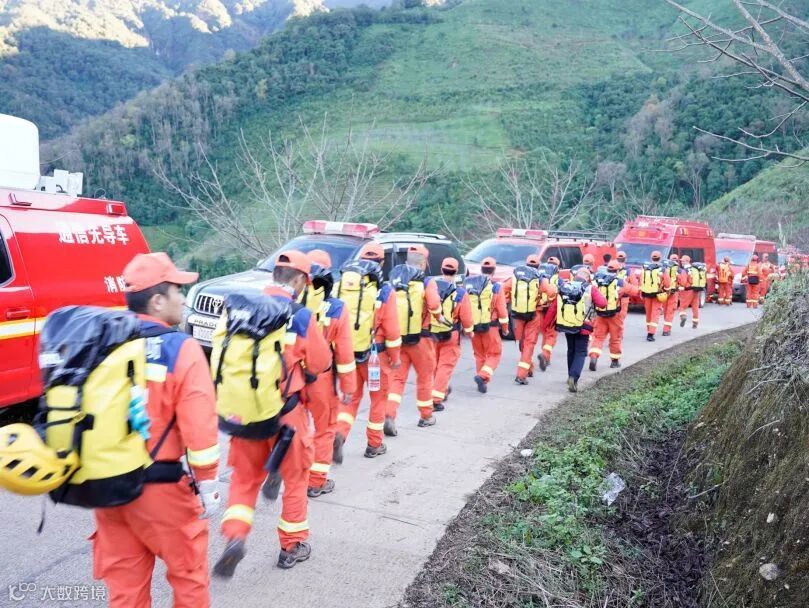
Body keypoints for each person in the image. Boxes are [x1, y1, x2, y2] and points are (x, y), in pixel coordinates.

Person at [92, 252, 221, 608]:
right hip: (160, 489)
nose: (183, 297)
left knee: (125, 591)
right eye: (178, 290)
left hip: (108, 487)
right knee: (188, 578)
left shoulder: (101, 341)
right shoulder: (181, 348)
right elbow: (199, 427)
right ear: (158, 300)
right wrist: (208, 483)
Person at [216, 250, 330, 576]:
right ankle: (291, 546)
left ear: (274, 275)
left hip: (245, 413)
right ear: (301, 281)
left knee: (243, 479)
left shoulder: (240, 308)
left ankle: (235, 536)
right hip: (286, 415)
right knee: (296, 479)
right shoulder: (301, 316)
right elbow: (320, 363)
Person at [334, 243, 402, 460]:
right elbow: (392, 330)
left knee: (350, 398)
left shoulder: (341, 285)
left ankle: (339, 434)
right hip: (375, 356)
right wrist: (395, 357)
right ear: (381, 263)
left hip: (347, 354)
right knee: (378, 399)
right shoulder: (384, 291)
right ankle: (374, 444)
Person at [302, 250, 357, 497]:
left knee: (294, 426)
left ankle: (285, 470)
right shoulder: (336, 308)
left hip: (290, 376)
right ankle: (316, 481)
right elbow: (344, 352)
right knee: (324, 428)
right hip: (321, 378)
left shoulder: (290, 302)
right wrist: (348, 387)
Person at [385, 245, 442, 432]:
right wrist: (439, 316)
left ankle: (389, 414)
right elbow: (433, 304)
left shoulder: (395, 279)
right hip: (421, 339)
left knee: (397, 378)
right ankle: (426, 416)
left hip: (398, 339)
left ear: (407, 260)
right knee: (425, 377)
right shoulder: (426, 282)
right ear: (424, 263)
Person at [552, 267, 607, 393]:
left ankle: (569, 375)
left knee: (571, 350)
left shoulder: (565, 286)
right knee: (580, 352)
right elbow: (602, 303)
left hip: (567, 324)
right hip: (583, 326)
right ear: (587, 278)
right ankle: (574, 377)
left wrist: (547, 324)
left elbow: (555, 306)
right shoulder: (590, 288)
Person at [430, 257, 473, 409]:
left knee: (435, 364)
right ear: (456, 272)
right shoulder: (460, 293)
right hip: (451, 334)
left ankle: (441, 389)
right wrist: (469, 332)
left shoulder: (431, 288)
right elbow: (466, 317)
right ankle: (436, 398)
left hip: (432, 333)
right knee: (445, 366)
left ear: (441, 270)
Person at [509, 255, 557, 384]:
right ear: (538, 266)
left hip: (518, 314)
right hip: (534, 315)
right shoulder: (540, 278)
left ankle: (529, 369)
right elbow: (552, 292)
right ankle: (521, 375)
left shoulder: (515, 276)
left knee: (522, 343)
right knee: (529, 344)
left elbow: (504, 290)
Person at [466, 257, 509, 393]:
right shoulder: (496, 288)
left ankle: (482, 382)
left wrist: (466, 328)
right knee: (495, 354)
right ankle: (483, 376)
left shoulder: (469, 285)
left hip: (474, 327)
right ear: (494, 270)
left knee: (479, 355)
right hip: (490, 327)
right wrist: (505, 328)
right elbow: (502, 311)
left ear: (481, 269)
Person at [588, 260, 637, 370]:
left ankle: (594, 357)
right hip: (615, 315)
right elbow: (634, 291)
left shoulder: (597, 280)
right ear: (618, 271)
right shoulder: (619, 282)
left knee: (598, 337)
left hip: (600, 314)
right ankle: (615, 361)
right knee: (615, 338)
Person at [640, 250, 671, 341]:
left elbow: (640, 281)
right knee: (655, 314)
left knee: (648, 313)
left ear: (651, 258)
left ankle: (648, 329)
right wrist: (667, 291)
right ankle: (651, 333)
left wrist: (641, 292)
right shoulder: (662, 269)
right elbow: (667, 283)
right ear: (660, 258)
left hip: (646, 294)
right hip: (657, 295)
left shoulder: (645, 268)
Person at [538, 255, 561, 369]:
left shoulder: (539, 277)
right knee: (551, 335)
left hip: (540, 309)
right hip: (552, 310)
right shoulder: (558, 280)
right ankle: (545, 355)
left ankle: (547, 358)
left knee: (544, 334)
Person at [662, 253, 682, 336]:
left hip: (664, 291)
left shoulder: (664, 268)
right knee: (670, 311)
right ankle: (666, 330)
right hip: (674, 292)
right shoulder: (679, 270)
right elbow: (681, 281)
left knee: (665, 310)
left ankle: (665, 326)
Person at [678, 255, 700, 329]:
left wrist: (680, 285)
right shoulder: (695, 269)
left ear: (687, 261)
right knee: (695, 307)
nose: (681, 262)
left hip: (687, 290)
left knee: (682, 306)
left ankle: (683, 317)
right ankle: (695, 323)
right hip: (696, 290)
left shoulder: (684, 270)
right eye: (681, 261)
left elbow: (683, 282)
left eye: (683, 261)